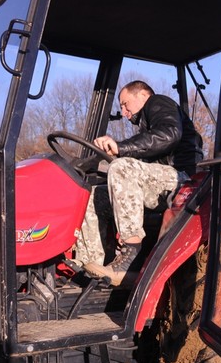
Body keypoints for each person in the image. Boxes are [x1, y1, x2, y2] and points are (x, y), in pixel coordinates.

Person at [75, 80, 202, 285]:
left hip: (182, 178)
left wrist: (120, 148)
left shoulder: (157, 102)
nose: (124, 112)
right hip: (159, 181)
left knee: (122, 168)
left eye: (125, 104)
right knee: (94, 195)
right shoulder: (146, 128)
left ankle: (131, 257)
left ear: (143, 95)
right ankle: (90, 266)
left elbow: (170, 134)